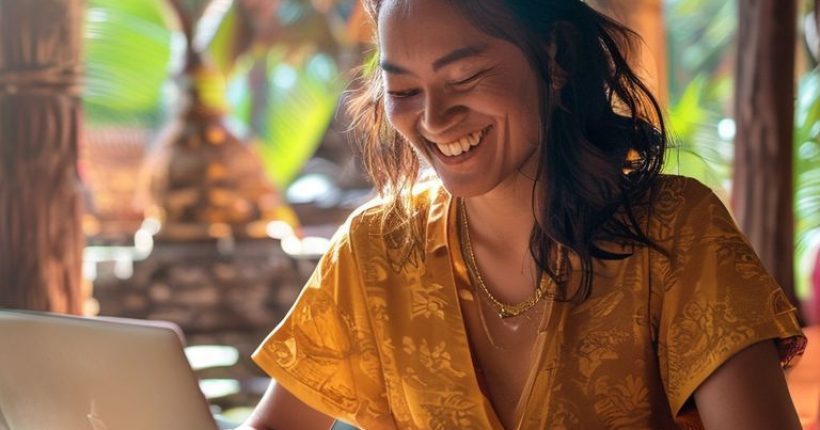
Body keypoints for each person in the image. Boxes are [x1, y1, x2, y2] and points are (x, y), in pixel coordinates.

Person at [238, 0, 807, 428]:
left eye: (464, 77)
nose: (433, 120)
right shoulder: (376, 248)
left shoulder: (677, 232)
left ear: (556, 56)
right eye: (405, 90)